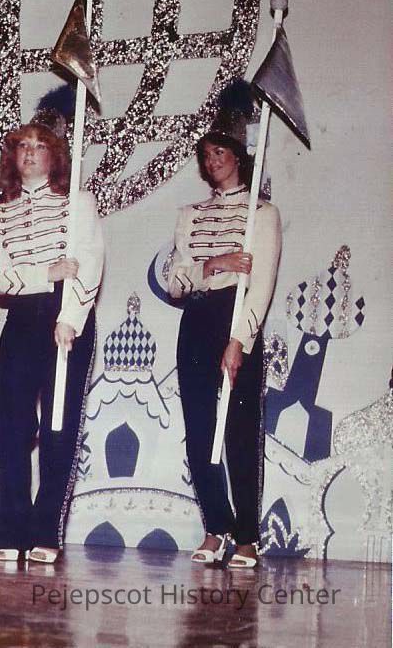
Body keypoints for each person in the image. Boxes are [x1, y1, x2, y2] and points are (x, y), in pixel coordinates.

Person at [0, 99, 104, 564]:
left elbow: (88, 263)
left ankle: (46, 531)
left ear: (55, 156)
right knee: (12, 429)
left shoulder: (79, 204)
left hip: (67, 315)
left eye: (40, 145)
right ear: (13, 157)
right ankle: (10, 530)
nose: (30, 153)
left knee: (58, 427)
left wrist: (70, 317)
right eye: (23, 146)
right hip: (21, 319)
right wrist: (46, 273)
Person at [166, 99, 281, 569]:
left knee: (239, 430)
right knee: (199, 429)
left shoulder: (263, 214)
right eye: (207, 154)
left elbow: (263, 283)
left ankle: (248, 536)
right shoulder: (190, 214)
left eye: (220, 152)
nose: (212, 161)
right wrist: (214, 264)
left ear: (238, 155)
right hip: (196, 319)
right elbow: (176, 281)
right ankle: (216, 526)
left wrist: (240, 341)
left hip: (237, 318)